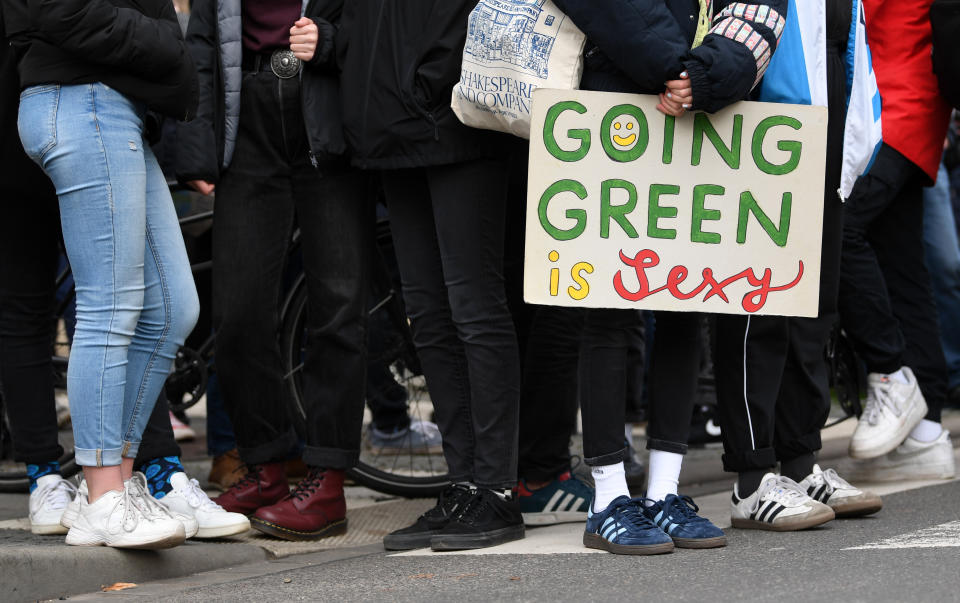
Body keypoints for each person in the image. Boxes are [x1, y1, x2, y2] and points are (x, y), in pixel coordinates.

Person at [552, 0, 786, 553]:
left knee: (685, 305)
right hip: (619, 102)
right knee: (609, 302)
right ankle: (608, 497)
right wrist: (684, 70)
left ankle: (663, 492)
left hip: (699, 108)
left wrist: (700, 77)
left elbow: (760, 12)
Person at [177, 0, 374, 541]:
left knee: (337, 308)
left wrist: (331, 42)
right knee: (237, 310)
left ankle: (328, 481)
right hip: (248, 127)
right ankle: (264, 466)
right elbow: (201, 43)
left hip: (328, 112)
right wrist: (196, 147)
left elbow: (380, 25)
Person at [6, 0, 200, 548]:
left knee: (173, 309)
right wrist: (168, 43)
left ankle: (119, 482)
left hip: (119, 104)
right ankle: (102, 493)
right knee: (109, 305)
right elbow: (59, 11)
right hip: (79, 98)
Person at [339, 0, 525, 552]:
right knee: (431, 312)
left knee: (474, 305)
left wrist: (425, 84)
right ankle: (465, 484)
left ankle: (496, 489)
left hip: (455, 117)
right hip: (394, 124)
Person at [714, 0, 881, 530]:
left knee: (815, 300)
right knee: (755, 297)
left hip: (824, 88)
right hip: (756, 101)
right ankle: (751, 475)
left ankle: (799, 460)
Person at [837, 0, 956, 481]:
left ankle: (893, 375)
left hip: (889, 105)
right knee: (902, 264)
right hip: (899, 104)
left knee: (836, 232)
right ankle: (924, 432)